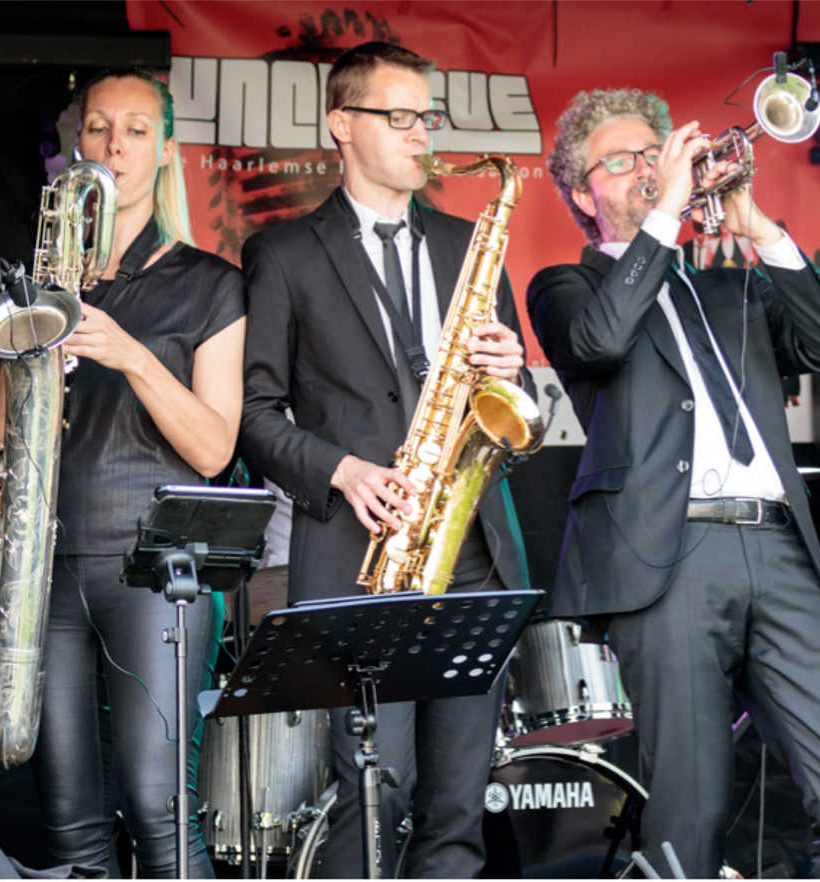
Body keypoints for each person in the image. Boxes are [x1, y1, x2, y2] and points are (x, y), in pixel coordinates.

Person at [527, 88, 820, 879]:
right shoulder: (564, 287)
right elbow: (598, 342)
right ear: (582, 193)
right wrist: (667, 212)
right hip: (668, 558)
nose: (646, 170)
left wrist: (756, 226)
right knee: (688, 822)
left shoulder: (731, 288)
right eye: (623, 160)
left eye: (653, 154)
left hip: (779, 551)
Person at [238, 41, 533, 878]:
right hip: (360, 560)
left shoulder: (470, 242)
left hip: (472, 555)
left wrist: (512, 374)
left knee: (458, 807)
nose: (419, 134)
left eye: (425, 117)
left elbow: (510, 411)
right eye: (398, 116)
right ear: (342, 124)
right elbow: (253, 416)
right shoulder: (285, 254)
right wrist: (343, 471)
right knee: (378, 792)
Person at [0, 67, 246, 877]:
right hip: (45, 573)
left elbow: (214, 448)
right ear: (75, 146)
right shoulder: (39, 287)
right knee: (69, 826)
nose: (114, 145)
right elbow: (1, 436)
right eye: (97, 127)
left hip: (155, 572)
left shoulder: (211, 285)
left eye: (135, 130)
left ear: (164, 151)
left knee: (159, 810)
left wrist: (130, 354)